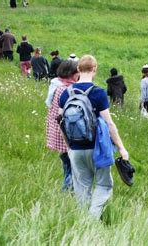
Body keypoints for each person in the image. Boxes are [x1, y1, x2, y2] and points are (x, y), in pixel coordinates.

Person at [58, 55, 129, 219]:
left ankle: (83, 221)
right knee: (104, 185)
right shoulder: (98, 93)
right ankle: (92, 220)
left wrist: (68, 147)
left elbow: (60, 122)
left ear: (78, 69)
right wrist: (121, 148)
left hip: (75, 149)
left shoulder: (65, 93)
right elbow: (109, 124)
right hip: (97, 149)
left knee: (82, 188)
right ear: (94, 69)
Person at [45, 60, 79, 191]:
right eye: (77, 72)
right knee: (71, 165)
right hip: (65, 135)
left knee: (66, 164)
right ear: (71, 73)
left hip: (57, 133)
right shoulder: (67, 90)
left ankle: (68, 188)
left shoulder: (56, 86)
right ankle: (67, 190)